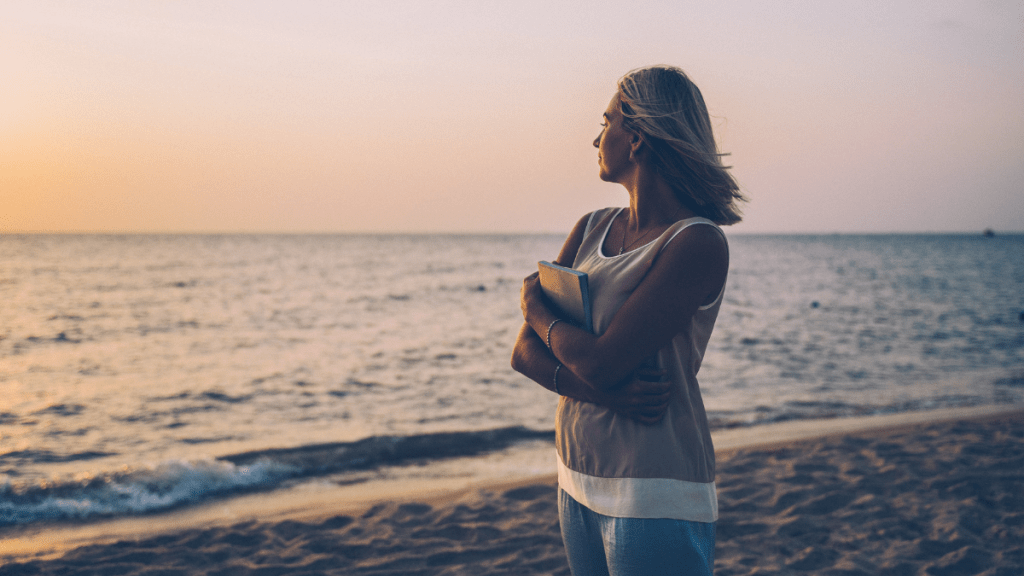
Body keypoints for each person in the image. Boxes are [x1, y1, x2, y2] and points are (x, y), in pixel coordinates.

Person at [511, 65, 745, 575]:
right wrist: (603, 395)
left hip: (653, 487)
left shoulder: (697, 243)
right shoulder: (590, 228)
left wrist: (536, 310)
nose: (597, 137)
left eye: (607, 121)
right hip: (576, 473)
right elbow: (522, 353)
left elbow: (603, 361)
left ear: (636, 138)